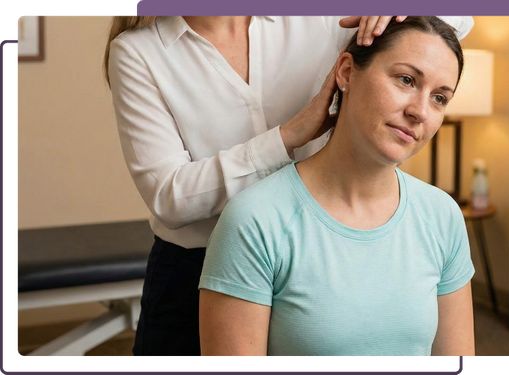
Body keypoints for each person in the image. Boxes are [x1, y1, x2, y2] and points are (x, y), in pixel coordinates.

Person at [104, 15, 474, 358]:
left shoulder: (310, 16)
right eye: (406, 82)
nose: (421, 109)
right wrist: (286, 137)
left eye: (439, 98)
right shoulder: (139, 51)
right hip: (192, 264)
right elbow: (170, 197)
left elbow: (451, 22)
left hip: (322, 245)